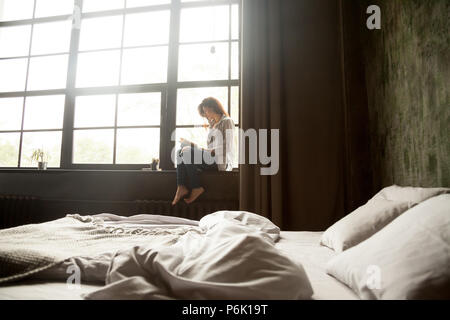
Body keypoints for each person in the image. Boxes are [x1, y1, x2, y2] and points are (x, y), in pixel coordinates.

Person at [172, 97, 235, 205]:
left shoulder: (227, 121)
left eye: (206, 111)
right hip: (211, 159)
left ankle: (196, 187)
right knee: (180, 151)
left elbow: (226, 148)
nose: (206, 114)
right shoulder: (212, 125)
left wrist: (196, 149)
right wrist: (193, 146)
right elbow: (208, 150)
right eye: (204, 112)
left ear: (213, 108)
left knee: (186, 151)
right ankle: (181, 186)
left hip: (220, 162)